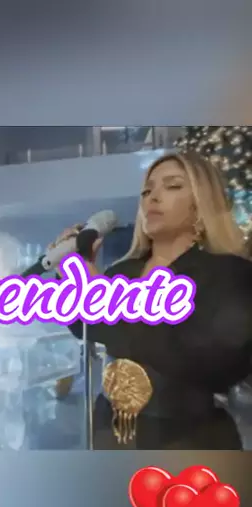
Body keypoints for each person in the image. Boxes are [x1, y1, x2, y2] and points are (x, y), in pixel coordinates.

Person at [50, 151, 252, 450]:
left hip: (187, 439)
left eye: (173, 186)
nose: (152, 198)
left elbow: (220, 363)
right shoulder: (122, 271)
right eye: (146, 191)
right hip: (110, 429)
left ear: (201, 204)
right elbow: (86, 326)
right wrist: (69, 277)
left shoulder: (229, 272)